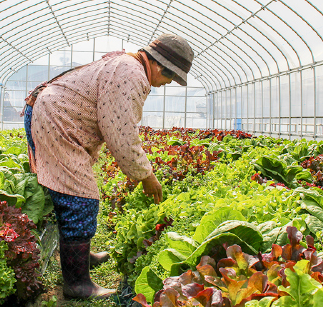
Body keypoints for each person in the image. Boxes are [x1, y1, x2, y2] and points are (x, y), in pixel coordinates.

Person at [23, 33, 194, 299]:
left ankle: (81, 257)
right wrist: (145, 176)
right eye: (169, 78)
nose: (165, 84)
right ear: (159, 66)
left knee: (75, 194)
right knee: (79, 198)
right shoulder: (131, 74)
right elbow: (122, 133)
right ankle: (77, 284)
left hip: (55, 116)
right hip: (56, 120)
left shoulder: (129, 66)